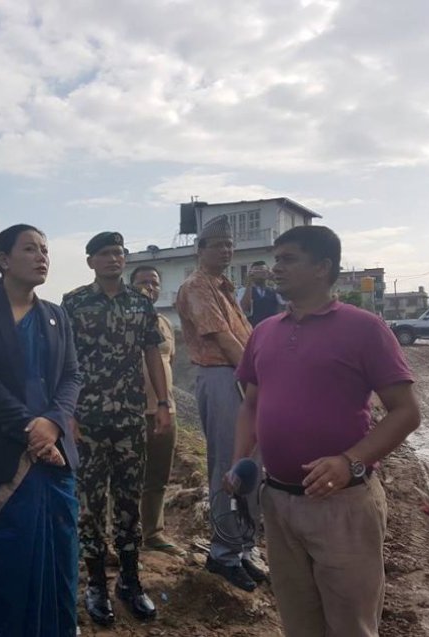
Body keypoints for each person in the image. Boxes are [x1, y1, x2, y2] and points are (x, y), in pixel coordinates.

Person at [228, 225, 420, 637]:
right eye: (276, 260)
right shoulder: (264, 332)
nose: (276, 268)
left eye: (288, 259)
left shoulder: (365, 328)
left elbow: (406, 412)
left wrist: (349, 461)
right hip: (278, 503)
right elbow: (251, 405)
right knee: (298, 623)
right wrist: (239, 461)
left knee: (351, 626)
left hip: (342, 505)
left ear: (322, 267)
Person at [0, 224, 82, 637]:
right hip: (3, 456)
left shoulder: (56, 316)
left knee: (58, 558)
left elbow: (72, 376)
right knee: (6, 563)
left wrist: (53, 422)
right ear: (4, 259)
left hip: (53, 462)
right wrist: (32, 429)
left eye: (45, 249)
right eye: (30, 249)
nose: (42, 256)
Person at [62, 231, 172, 626]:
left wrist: (163, 403)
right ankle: (95, 584)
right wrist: (67, 413)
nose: (114, 258)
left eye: (119, 253)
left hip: (128, 418)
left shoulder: (140, 303)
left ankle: (129, 580)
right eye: (106, 253)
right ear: (91, 261)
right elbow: (63, 360)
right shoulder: (74, 303)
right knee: (91, 505)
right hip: (88, 420)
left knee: (128, 500)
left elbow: (152, 353)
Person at [175, 215, 264, 592]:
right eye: (218, 245)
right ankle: (223, 554)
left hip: (242, 376)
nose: (226, 250)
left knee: (250, 464)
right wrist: (257, 376)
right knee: (228, 463)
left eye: (229, 245)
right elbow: (225, 340)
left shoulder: (224, 287)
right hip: (223, 376)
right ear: (200, 250)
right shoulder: (196, 286)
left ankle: (243, 548)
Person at [130, 266, 186, 558]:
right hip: (129, 412)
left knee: (157, 476)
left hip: (164, 411)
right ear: (130, 287)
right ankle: (122, 533)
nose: (148, 287)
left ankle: (153, 533)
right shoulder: (122, 319)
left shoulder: (164, 323)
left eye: (153, 283)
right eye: (142, 282)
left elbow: (168, 363)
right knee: (125, 477)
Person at [237, 260, 285, 325]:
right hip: (253, 326)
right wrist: (249, 283)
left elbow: (285, 304)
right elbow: (244, 308)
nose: (260, 273)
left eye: (263, 270)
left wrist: (275, 279)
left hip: (272, 325)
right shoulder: (243, 290)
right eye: (257, 270)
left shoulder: (275, 290)